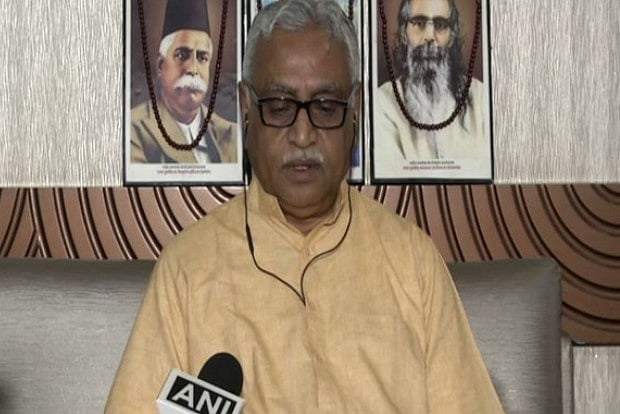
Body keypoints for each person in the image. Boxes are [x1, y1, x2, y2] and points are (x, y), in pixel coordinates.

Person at [106, 0, 503, 412]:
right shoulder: (188, 269)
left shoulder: (412, 263)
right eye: (279, 107)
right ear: (246, 108)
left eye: (326, 107)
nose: (302, 135)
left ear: (355, 110)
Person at [376, 0, 487, 161]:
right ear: (404, 34)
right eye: (419, 23)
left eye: (440, 25)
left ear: (452, 37)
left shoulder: (480, 97)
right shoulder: (382, 103)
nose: (429, 36)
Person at [130, 0, 237, 164]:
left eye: (202, 57)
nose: (193, 69)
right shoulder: (133, 129)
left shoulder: (231, 133)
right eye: (182, 55)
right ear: (161, 65)